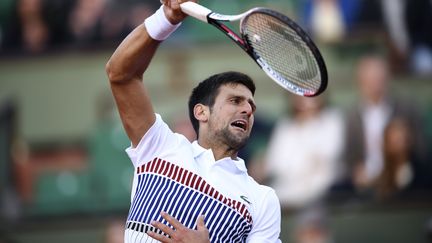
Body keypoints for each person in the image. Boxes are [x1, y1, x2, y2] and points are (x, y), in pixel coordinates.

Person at [105, 0, 282, 242]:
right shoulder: (160, 147)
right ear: (201, 112)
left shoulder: (263, 200)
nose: (248, 110)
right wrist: (166, 19)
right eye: (235, 101)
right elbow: (120, 75)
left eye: (251, 105)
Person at [344, 54, 427, 194]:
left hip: (404, 182)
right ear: (360, 82)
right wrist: (357, 172)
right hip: (365, 185)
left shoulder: (407, 108)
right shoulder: (352, 116)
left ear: (388, 78)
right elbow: (350, 157)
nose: (375, 83)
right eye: (370, 79)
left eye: (379, 78)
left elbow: (421, 151)